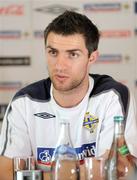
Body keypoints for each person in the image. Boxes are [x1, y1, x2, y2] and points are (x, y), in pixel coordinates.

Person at [0, 10, 137, 179]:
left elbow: (112, 170)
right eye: (53, 52)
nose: (60, 66)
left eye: (73, 54)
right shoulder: (24, 102)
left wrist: (38, 176)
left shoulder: (112, 96)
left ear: (92, 58)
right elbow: (5, 172)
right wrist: (82, 172)